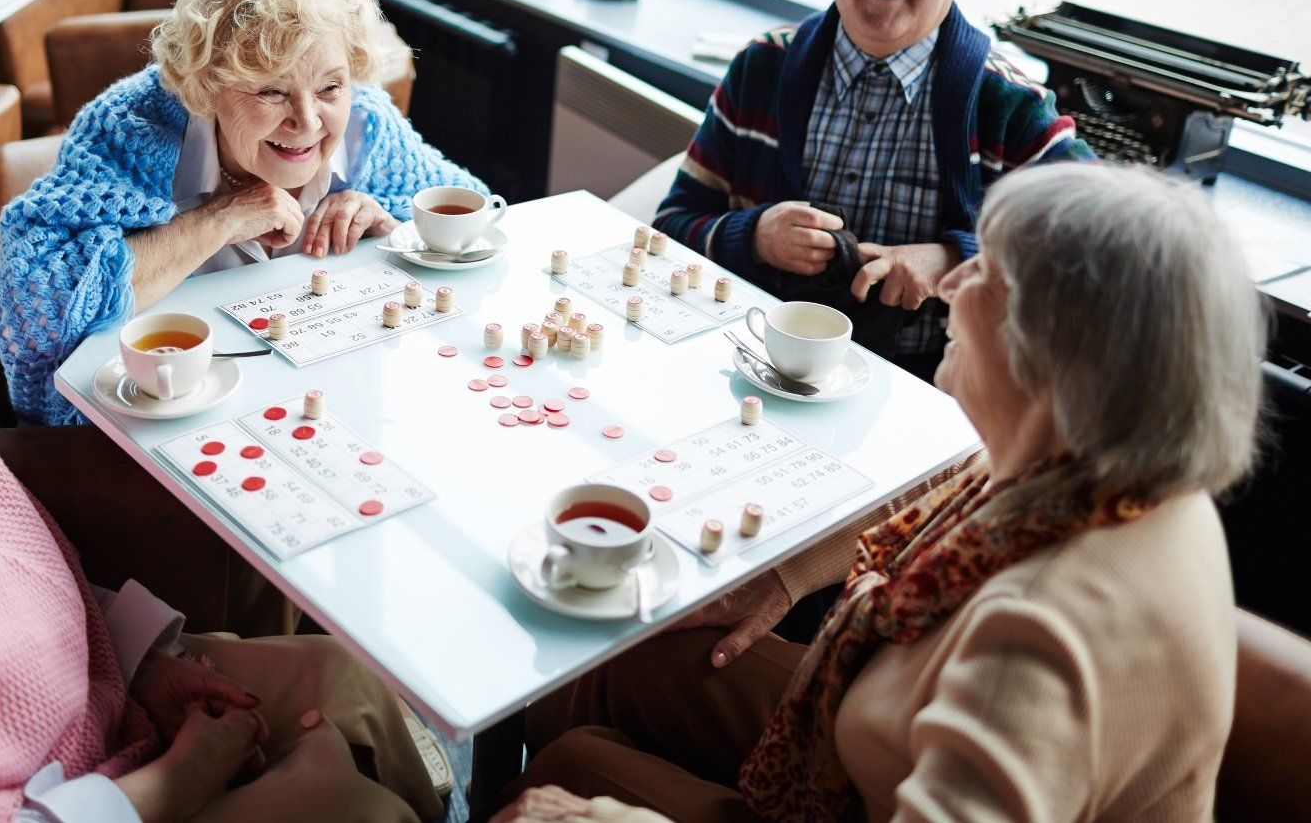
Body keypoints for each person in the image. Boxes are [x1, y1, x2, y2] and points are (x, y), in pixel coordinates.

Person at [0, 69, 442, 823]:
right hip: (87, 799)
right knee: (358, 810)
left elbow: (8, 584)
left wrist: (145, 664)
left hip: (99, 719)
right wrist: (174, 783)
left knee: (344, 674)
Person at [499, 161, 1262, 821]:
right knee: (626, 657)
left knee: (567, 772)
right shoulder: (1099, 466)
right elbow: (928, 484)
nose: (952, 283)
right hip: (873, 738)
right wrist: (780, 576)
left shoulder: (1036, 641)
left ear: (1060, 359)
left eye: (988, 274)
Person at [0, 0, 488, 424]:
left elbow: (475, 227)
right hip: (163, 419)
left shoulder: (367, 126)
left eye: (330, 87)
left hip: (326, 397)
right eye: (272, 91)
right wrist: (218, 220)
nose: (309, 121)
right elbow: (33, 308)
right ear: (208, 88)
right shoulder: (127, 129)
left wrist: (393, 230)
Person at [654, 0, 1094, 380]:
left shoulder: (1010, 105)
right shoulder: (763, 66)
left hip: (924, 386)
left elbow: (1094, 256)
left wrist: (958, 260)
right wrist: (753, 237)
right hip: (752, 362)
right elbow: (669, 227)